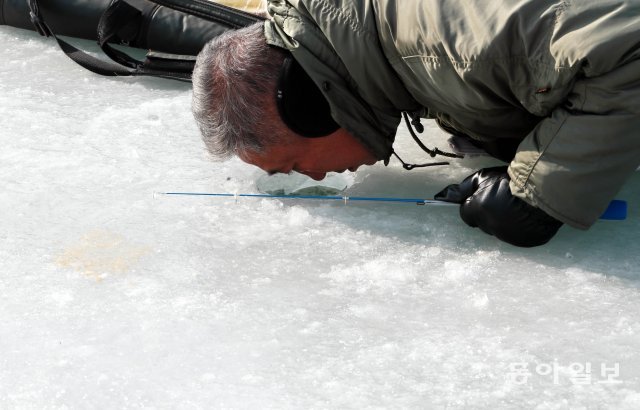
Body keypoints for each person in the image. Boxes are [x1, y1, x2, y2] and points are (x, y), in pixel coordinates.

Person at [191, 0, 640, 247]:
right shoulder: (382, 40)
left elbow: (628, 55)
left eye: (291, 165)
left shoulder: (441, 45)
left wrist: (538, 194)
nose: (313, 177)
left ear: (308, 107)